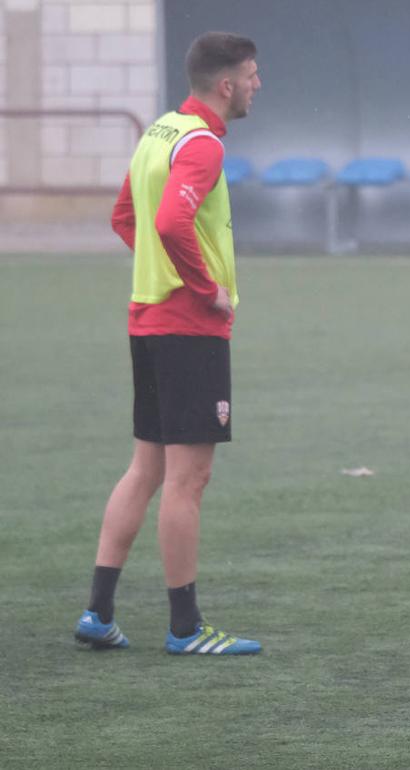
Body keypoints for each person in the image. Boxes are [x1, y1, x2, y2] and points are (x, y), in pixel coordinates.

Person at [72, 32, 263, 655]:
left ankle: (99, 613)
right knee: (189, 480)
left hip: (148, 322)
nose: (258, 85)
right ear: (226, 84)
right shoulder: (201, 145)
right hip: (188, 330)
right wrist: (205, 287)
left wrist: (161, 272)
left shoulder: (159, 132)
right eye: (252, 76)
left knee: (146, 469)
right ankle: (185, 628)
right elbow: (168, 222)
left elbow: (124, 218)